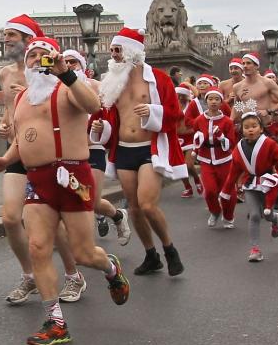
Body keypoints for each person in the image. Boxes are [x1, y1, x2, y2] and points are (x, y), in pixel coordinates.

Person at [0, 36, 130, 345]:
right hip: (38, 179)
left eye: (43, 55)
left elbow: (94, 106)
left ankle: (110, 267)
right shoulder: (23, 97)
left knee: (83, 253)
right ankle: (55, 322)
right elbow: (23, 137)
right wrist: (6, 159)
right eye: (32, 56)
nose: (37, 61)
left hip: (71, 175)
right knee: (38, 246)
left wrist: (66, 73)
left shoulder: (69, 88)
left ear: (55, 59)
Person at [0, 15, 82, 305]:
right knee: (10, 218)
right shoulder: (5, 73)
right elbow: (11, 112)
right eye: (5, 34)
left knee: (51, 224)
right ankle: (29, 276)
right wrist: (4, 123)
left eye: (11, 35)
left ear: (27, 39)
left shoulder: (47, 70)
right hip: (17, 151)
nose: (6, 39)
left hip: (49, 156)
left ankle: (73, 275)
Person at [96, 27, 187, 276]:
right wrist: (101, 127)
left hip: (150, 148)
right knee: (134, 207)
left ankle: (169, 249)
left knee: (147, 204)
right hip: (124, 150)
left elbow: (175, 115)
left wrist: (153, 112)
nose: (113, 54)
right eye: (112, 49)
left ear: (133, 52)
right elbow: (108, 118)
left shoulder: (157, 78)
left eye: (118, 49)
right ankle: (151, 255)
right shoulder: (113, 82)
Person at [67, 50, 132, 247]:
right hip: (69, 151)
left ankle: (117, 215)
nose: (70, 66)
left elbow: (109, 114)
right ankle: (80, 244)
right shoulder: (58, 89)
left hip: (92, 147)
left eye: (73, 62)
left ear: (82, 65)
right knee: (77, 197)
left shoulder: (95, 86)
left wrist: (103, 126)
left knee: (92, 200)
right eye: (66, 62)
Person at [222, 112, 278, 262]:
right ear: (242, 130)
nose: (251, 130)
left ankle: (275, 219)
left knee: (267, 214)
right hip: (250, 184)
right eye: (246, 127)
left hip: (268, 184)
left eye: (254, 126)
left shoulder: (269, 144)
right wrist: (226, 190)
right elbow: (234, 171)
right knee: (254, 215)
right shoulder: (239, 148)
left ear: (261, 128)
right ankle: (255, 249)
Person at [190, 87, 238, 228]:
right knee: (210, 191)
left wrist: (220, 136)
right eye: (210, 99)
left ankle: (229, 216)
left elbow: (231, 144)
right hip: (206, 160)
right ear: (206, 101)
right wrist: (196, 149)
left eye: (217, 99)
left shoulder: (227, 122)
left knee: (228, 191)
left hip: (224, 160)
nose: (213, 102)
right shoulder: (199, 120)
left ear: (221, 102)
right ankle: (215, 211)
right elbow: (196, 138)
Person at [232, 52, 278, 149]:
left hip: (266, 127)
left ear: (256, 66)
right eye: (243, 63)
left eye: (248, 63)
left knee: (273, 159)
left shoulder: (267, 83)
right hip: (248, 129)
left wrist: (269, 110)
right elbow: (237, 107)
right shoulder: (237, 87)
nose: (245, 66)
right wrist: (230, 121)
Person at [174, 86, 200, 198]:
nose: (179, 97)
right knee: (179, 166)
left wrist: (189, 85)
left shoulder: (192, 105)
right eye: (177, 94)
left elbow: (199, 96)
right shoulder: (173, 104)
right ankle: (188, 187)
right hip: (175, 138)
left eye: (182, 94)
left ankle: (197, 180)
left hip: (190, 138)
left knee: (189, 165)